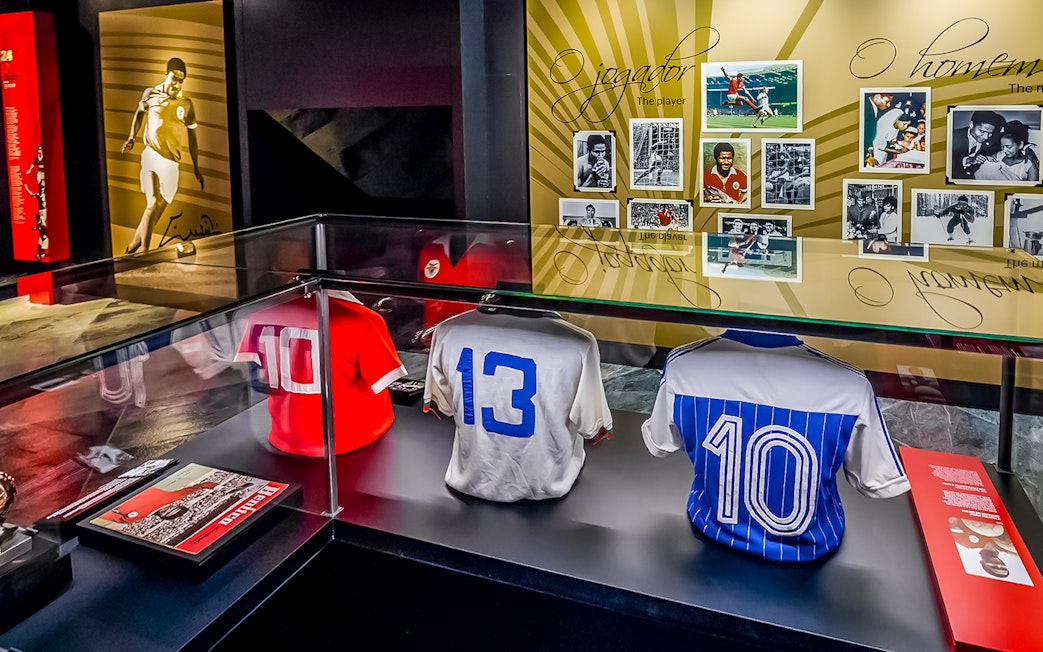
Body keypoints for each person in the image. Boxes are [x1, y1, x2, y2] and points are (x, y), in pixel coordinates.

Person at [120, 57, 204, 254]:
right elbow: (139, 113)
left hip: (172, 163)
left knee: (154, 213)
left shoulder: (186, 104)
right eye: (174, 78)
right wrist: (132, 136)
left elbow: (193, 139)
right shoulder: (151, 93)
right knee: (152, 201)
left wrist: (196, 167)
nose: (177, 84)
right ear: (166, 74)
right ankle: (146, 254)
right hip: (151, 155)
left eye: (181, 81)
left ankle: (132, 247)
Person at [974, 120, 1039, 182]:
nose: (1004, 150)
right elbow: (984, 163)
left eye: (1009, 147)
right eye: (1002, 146)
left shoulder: (1028, 164)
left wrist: (1028, 149)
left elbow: (1032, 185)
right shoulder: (999, 154)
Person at [950, 110, 1005, 180]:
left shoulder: (995, 138)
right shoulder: (953, 137)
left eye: (990, 133)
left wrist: (990, 157)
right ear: (971, 124)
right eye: (982, 131)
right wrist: (967, 160)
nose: (986, 137)